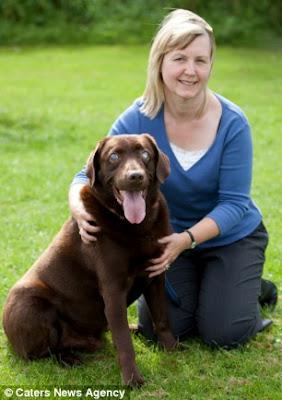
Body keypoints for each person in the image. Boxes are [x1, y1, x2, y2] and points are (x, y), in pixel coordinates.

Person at [69, 9, 277, 348]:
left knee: (223, 333)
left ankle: (254, 289)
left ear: (211, 64)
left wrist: (187, 239)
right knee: (164, 329)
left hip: (229, 237)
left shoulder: (233, 123)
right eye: (179, 58)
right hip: (168, 242)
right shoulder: (138, 117)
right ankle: (215, 288)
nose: (190, 71)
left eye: (201, 60)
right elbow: (86, 173)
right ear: (160, 62)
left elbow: (236, 204)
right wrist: (77, 206)